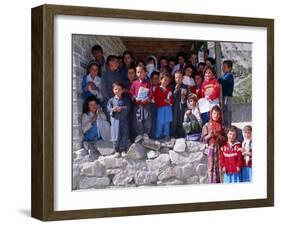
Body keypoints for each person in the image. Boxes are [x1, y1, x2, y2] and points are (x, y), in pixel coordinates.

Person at [107, 82, 130, 157]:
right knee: (115, 135)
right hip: (115, 121)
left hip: (124, 121)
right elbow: (108, 109)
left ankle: (123, 149)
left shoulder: (125, 100)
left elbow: (128, 108)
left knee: (124, 134)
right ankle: (116, 150)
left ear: (122, 90)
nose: (117, 91)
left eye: (119, 89)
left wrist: (121, 109)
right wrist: (113, 109)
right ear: (113, 90)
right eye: (116, 89)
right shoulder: (111, 100)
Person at [130, 65, 152, 138]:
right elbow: (131, 93)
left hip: (146, 105)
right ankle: (140, 134)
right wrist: (135, 98)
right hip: (137, 105)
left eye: (141, 72)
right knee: (137, 120)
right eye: (138, 72)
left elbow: (151, 93)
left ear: (145, 73)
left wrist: (148, 98)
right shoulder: (134, 83)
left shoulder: (148, 83)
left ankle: (146, 133)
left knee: (147, 119)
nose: (139, 74)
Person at [207, 106, 225, 183]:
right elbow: (202, 139)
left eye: (218, 113)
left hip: (219, 149)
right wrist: (209, 136)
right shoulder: (207, 125)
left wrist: (218, 135)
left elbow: (226, 138)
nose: (216, 115)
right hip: (211, 149)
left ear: (220, 115)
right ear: (211, 114)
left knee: (219, 167)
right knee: (211, 167)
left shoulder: (223, 125)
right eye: (214, 113)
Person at [154, 72, 174, 139]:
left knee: (167, 122)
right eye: (165, 80)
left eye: (168, 80)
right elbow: (156, 100)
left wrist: (170, 101)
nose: (166, 82)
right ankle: (158, 135)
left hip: (168, 108)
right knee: (160, 122)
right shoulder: (157, 89)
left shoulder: (169, 90)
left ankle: (166, 135)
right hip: (161, 108)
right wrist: (165, 101)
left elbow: (171, 99)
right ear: (160, 80)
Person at [172, 70, 188, 137]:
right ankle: (175, 134)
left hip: (183, 105)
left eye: (179, 77)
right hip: (175, 105)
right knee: (175, 120)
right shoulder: (172, 86)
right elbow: (172, 97)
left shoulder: (185, 87)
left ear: (182, 78)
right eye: (176, 78)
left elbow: (187, 96)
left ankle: (182, 133)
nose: (178, 79)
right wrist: (176, 90)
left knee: (182, 119)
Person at [218, 60, 234, 127]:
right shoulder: (224, 75)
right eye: (222, 66)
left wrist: (215, 79)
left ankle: (228, 127)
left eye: (224, 67)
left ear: (229, 68)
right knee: (224, 112)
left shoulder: (229, 75)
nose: (222, 68)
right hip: (224, 96)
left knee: (227, 112)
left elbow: (222, 81)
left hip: (227, 97)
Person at [150, 71, 160, 138]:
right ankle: (151, 134)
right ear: (151, 79)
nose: (155, 80)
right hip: (150, 106)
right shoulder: (148, 87)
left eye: (156, 78)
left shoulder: (161, 88)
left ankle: (156, 135)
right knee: (151, 120)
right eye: (153, 78)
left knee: (157, 120)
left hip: (158, 106)